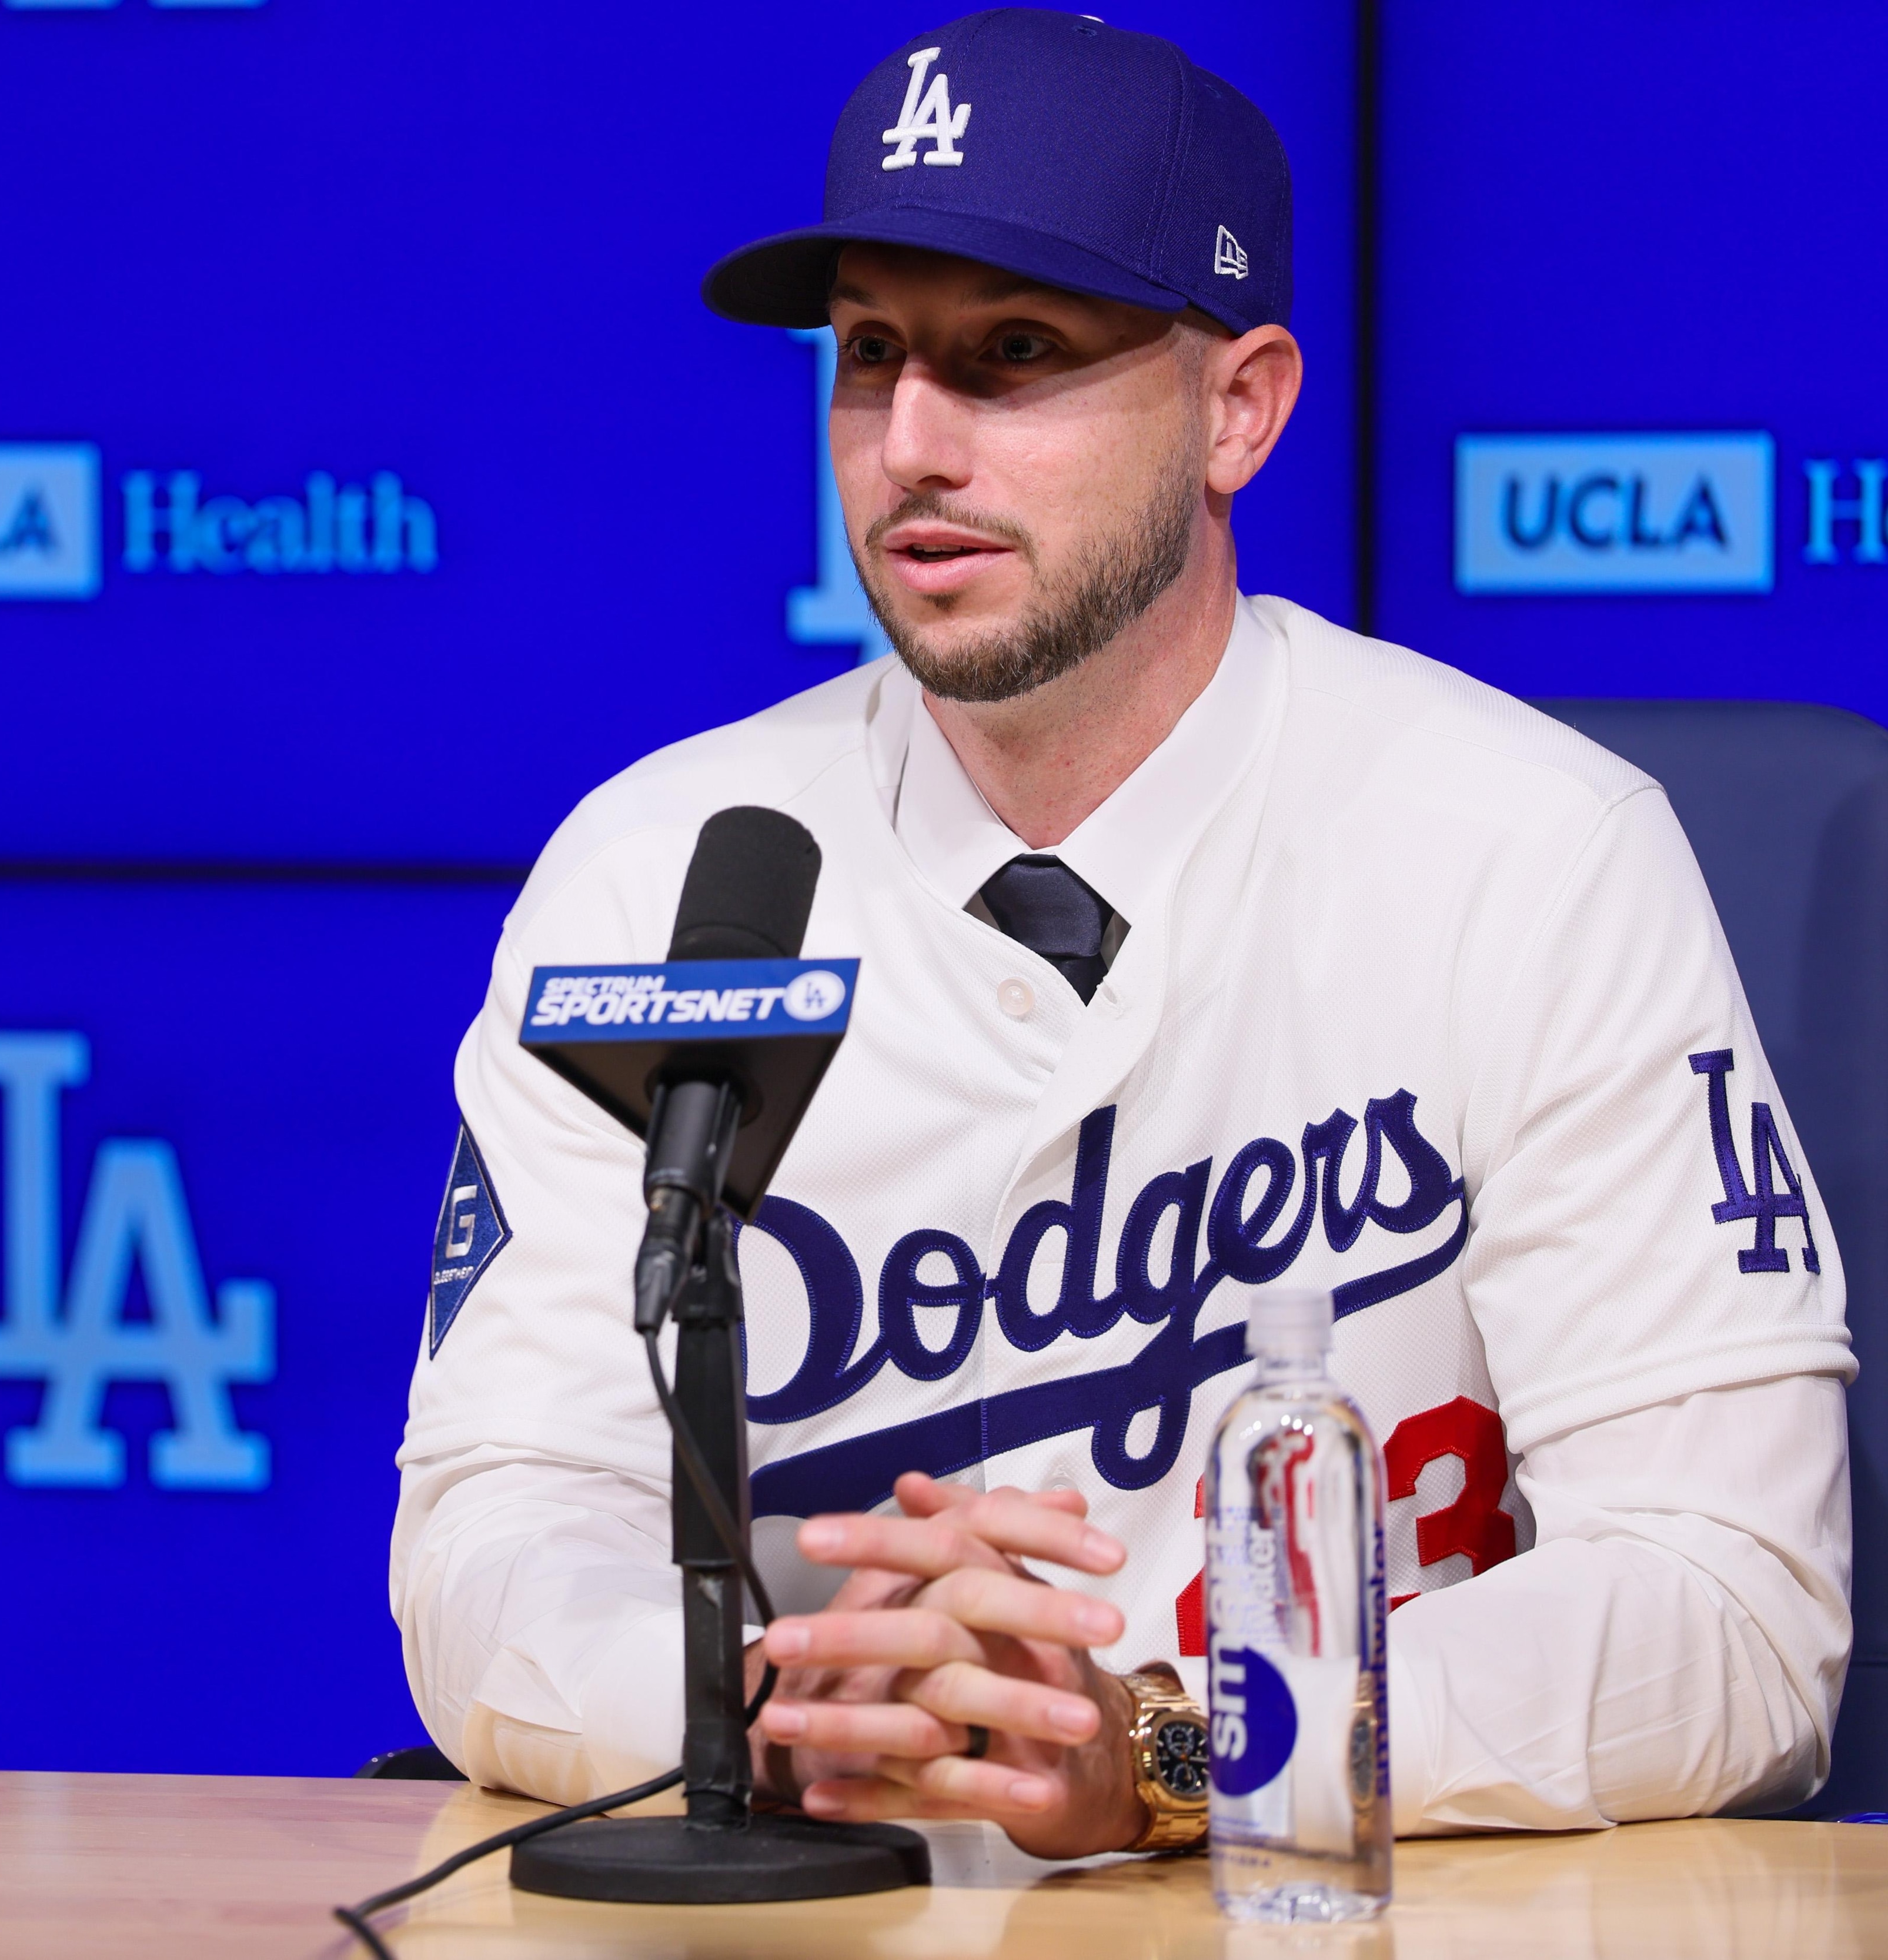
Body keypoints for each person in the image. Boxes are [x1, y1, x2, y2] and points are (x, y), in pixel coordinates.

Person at [394, 8, 1852, 1858]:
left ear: (1237, 407)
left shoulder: (1531, 852)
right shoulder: (659, 869)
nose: (910, 443)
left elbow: (1732, 1610)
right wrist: (759, 1699)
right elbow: (493, 1530)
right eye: (868, 354)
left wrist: (1188, 1752)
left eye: (1013, 354)